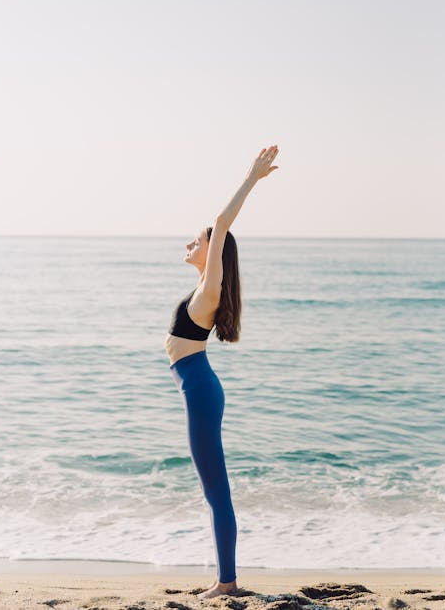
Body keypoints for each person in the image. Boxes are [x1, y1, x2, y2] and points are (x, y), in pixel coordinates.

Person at [164, 145, 280, 598]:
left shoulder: (210, 287)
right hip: (197, 387)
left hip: (199, 390)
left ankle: (228, 584)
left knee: (216, 490)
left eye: (199, 239)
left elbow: (223, 222)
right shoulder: (201, 289)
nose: (191, 242)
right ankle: (222, 578)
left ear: (215, 253)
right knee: (213, 488)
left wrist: (250, 179)